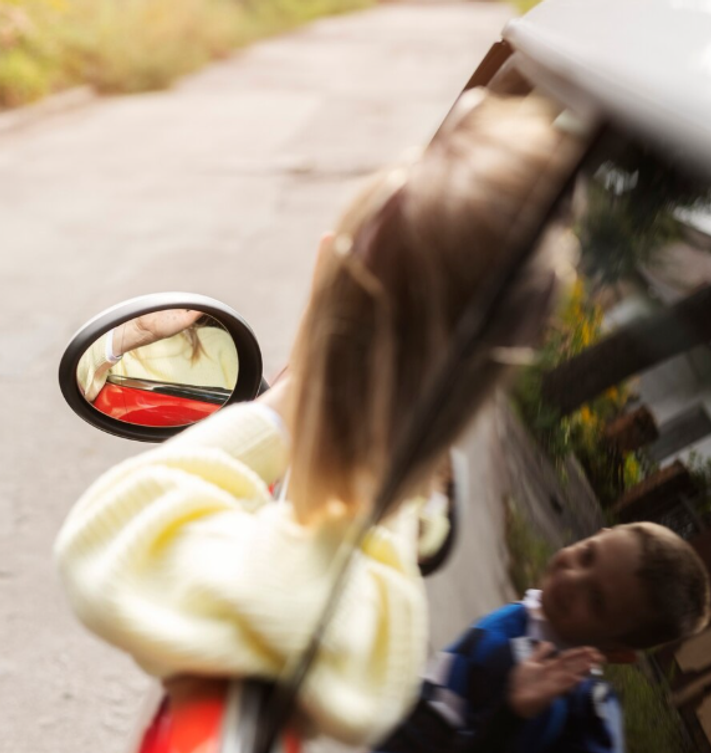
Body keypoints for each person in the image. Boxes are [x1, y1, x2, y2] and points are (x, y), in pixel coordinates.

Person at [54, 89, 582, 747]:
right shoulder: (377, 585)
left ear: (329, 288)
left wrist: (291, 402)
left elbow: (114, 533)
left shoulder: (296, 601)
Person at [376, 523, 710, 752]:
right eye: (587, 555)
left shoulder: (546, 700)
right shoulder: (542, 618)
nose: (571, 577)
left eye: (596, 601)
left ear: (615, 650)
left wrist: (512, 713)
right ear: (599, 534)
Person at [76, 309, 239, 403]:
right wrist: (137, 331)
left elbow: (245, 403)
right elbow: (79, 383)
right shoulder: (122, 354)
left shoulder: (217, 341)